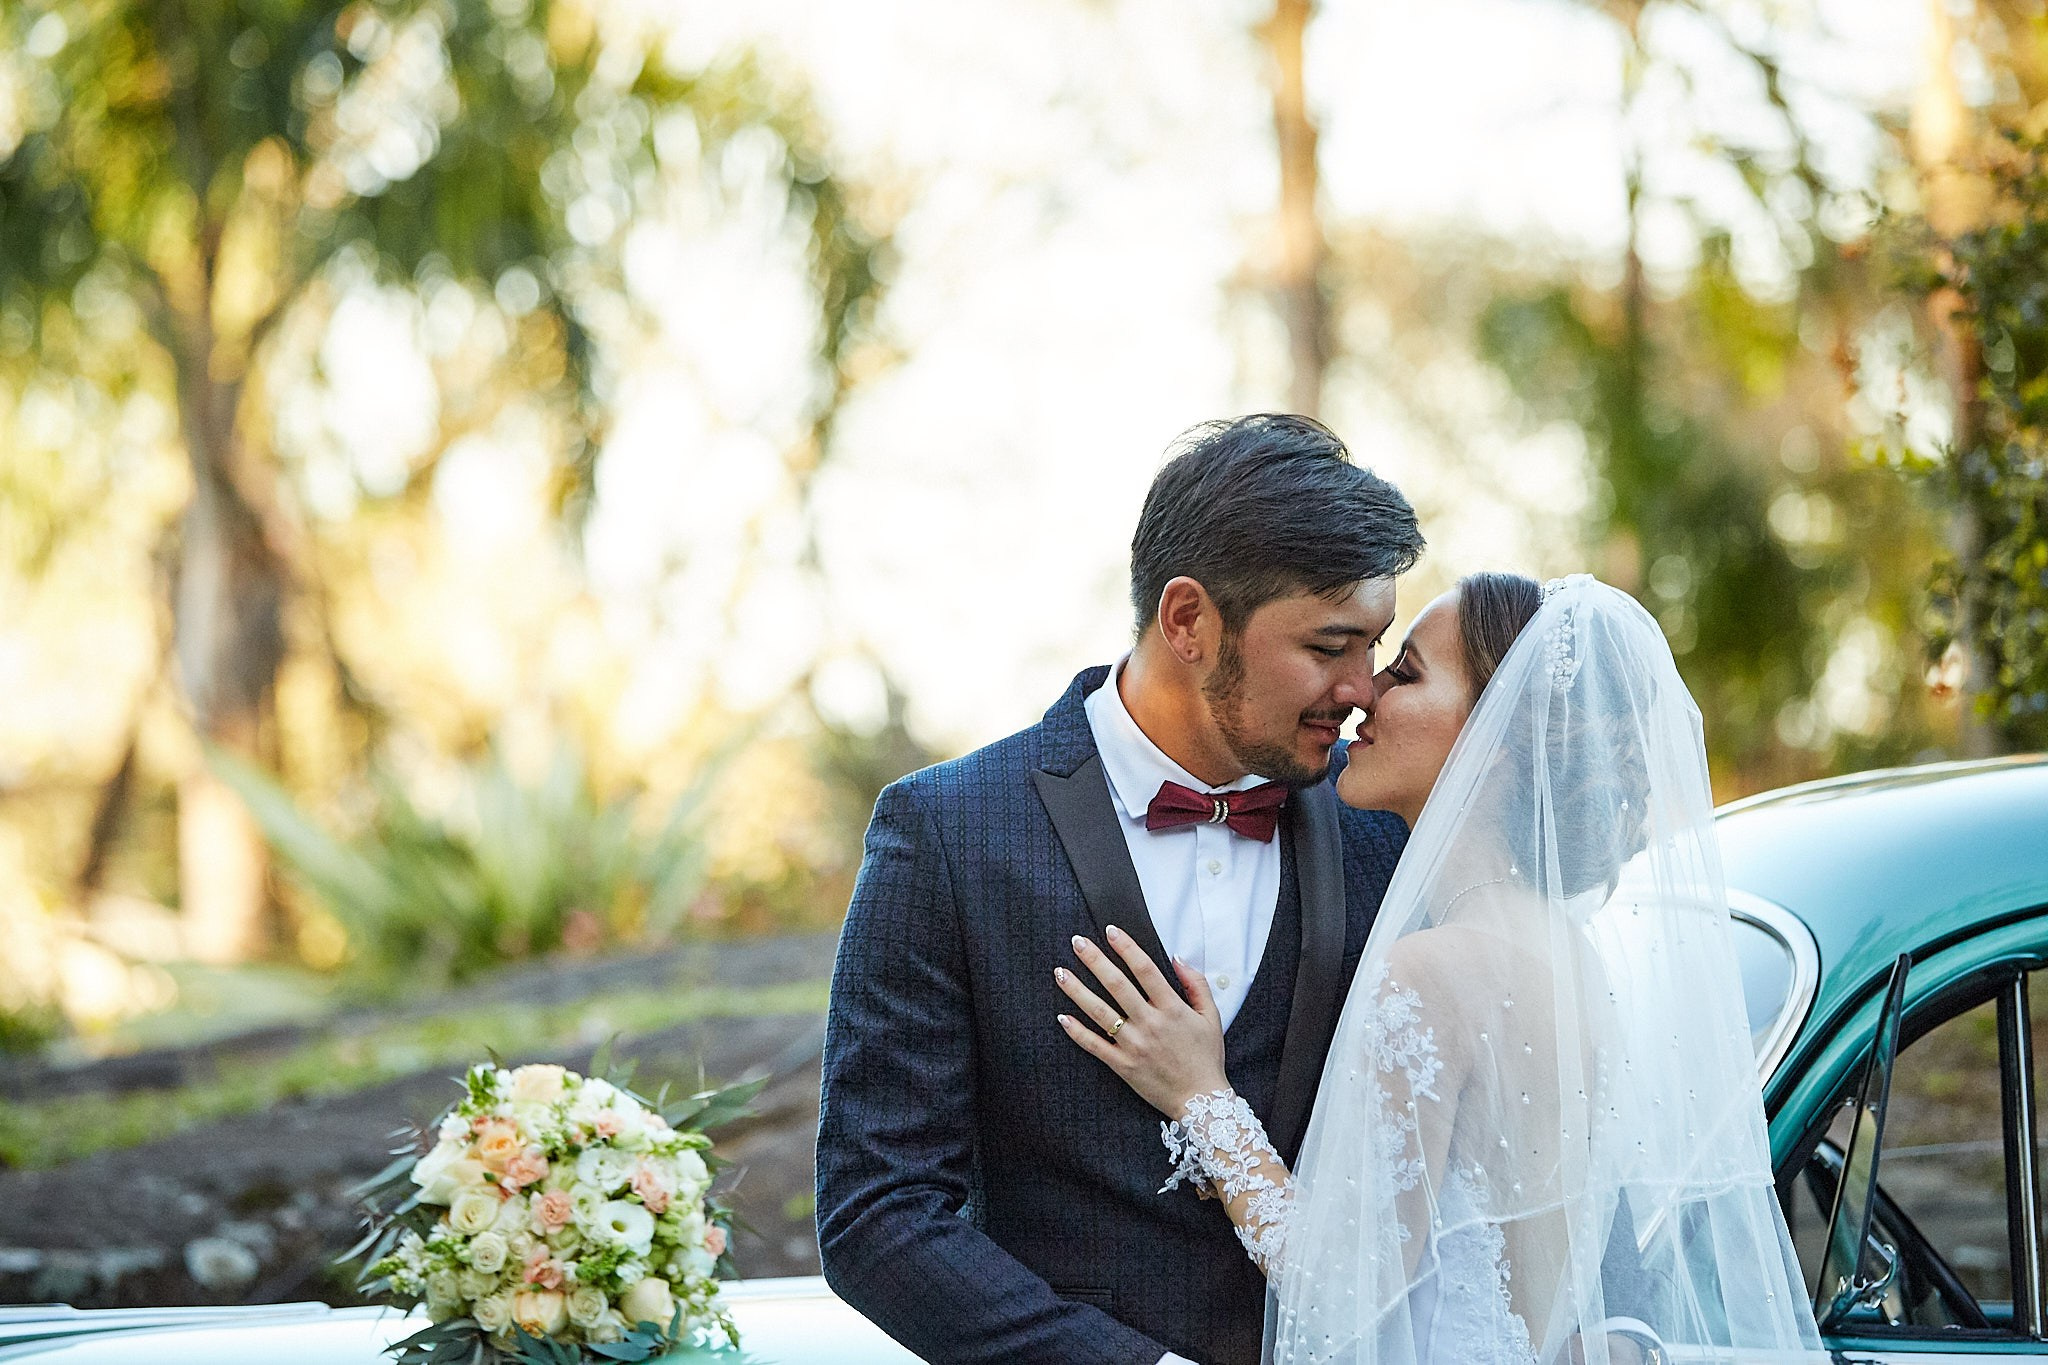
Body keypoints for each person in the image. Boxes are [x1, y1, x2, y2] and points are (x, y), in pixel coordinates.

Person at [1058, 573, 1826, 1365]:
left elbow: (1334, 1292)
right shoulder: (1574, 959)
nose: (1365, 694)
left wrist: (1203, 1098)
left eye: (1407, 672)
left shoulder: (1428, 973)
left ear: (1491, 736)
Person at [816, 414, 1425, 1365]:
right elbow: (878, 1213)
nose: (1361, 689)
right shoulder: (946, 831)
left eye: (1375, 646)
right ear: (1187, 620)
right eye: (1329, 646)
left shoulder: (1385, 832)